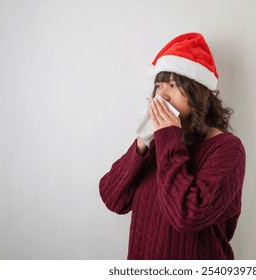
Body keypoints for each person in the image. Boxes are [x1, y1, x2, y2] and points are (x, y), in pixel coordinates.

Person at [99, 32, 246, 260]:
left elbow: (186, 216)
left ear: (199, 92)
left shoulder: (227, 148)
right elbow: (113, 199)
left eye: (173, 85)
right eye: (159, 86)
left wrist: (168, 137)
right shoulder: (156, 144)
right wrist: (143, 141)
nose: (163, 95)